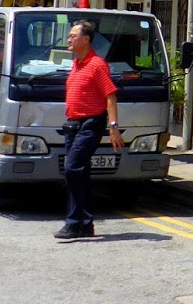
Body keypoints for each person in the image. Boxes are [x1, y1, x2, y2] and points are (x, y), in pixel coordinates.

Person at [55, 19, 123, 240]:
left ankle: (74, 222)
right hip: (73, 125)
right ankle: (84, 223)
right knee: (79, 173)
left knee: (72, 168)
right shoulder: (76, 64)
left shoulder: (97, 65)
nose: (68, 40)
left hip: (91, 123)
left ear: (85, 39)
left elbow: (110, 97)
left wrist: (113, 127)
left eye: (73, 36)